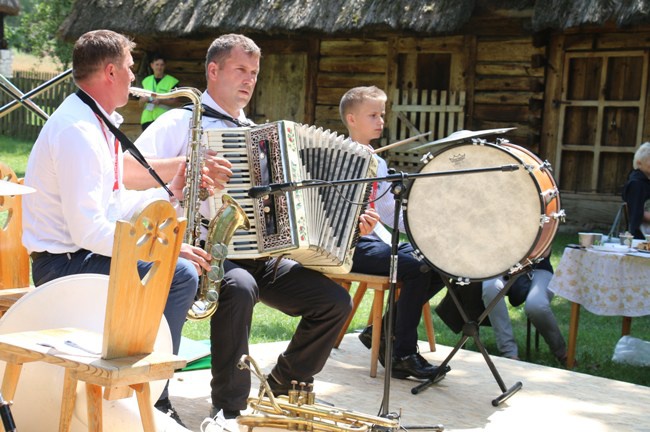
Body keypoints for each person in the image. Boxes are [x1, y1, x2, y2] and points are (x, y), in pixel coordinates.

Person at [129, 33, 371, 421]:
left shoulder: (258, 133)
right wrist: (186, 186)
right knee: (239, 289)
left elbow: (285, 204)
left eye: (254, 73)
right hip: (210, 250)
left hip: (263, 253)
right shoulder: (180, 122)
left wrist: (342, 219)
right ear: (213, 70)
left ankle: (281, 383)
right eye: (240, 69)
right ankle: (230, 407)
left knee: (334, 304)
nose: (249, 79)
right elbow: (131, 180)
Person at [21, 29, 209, 427]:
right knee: (177, 276)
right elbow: (89, 229)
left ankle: (134, 379)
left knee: (176, 271)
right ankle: (148, 387)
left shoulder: (94, 122)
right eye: (128, 68)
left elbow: (111, 204)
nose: (134, 78)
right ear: (109, 72)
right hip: (63, 265)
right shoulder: (78, 131)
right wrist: (161, 249)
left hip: (78, 254)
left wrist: (169, 200)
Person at [339, 86, 447, 379]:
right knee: (417, 268)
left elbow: (388, 211)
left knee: (440, 261)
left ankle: (383, 331)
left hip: (376, 241)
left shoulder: (378, 161)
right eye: (372, 115)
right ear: (351, 119)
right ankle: (402, 353)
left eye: (381, 114)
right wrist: (358, 221)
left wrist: (426, 228)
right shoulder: (338, 157)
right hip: (348, 247)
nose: (380, 121)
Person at [481, 251, 568, 366]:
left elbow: (543, 252)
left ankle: (562, 352)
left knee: (536, 306)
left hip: (539, 269)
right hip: (505, 268)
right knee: (490, 288)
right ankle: (509, 352)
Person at [139, 53, 180, 131]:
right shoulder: (145, 81)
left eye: (162, 65)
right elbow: (140, 104)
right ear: (152, 65)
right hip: (147, 120)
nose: (159, 67)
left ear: (165, 66)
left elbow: (176, 102)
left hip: (164, 119)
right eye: (157, 64)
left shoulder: (172, 81)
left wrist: (161, 101)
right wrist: (144, 100)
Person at [622, 142, 650, 239]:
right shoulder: (636, 184)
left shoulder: (646, 182)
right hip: (640, 236)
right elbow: (637, 212)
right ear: (639, 163)